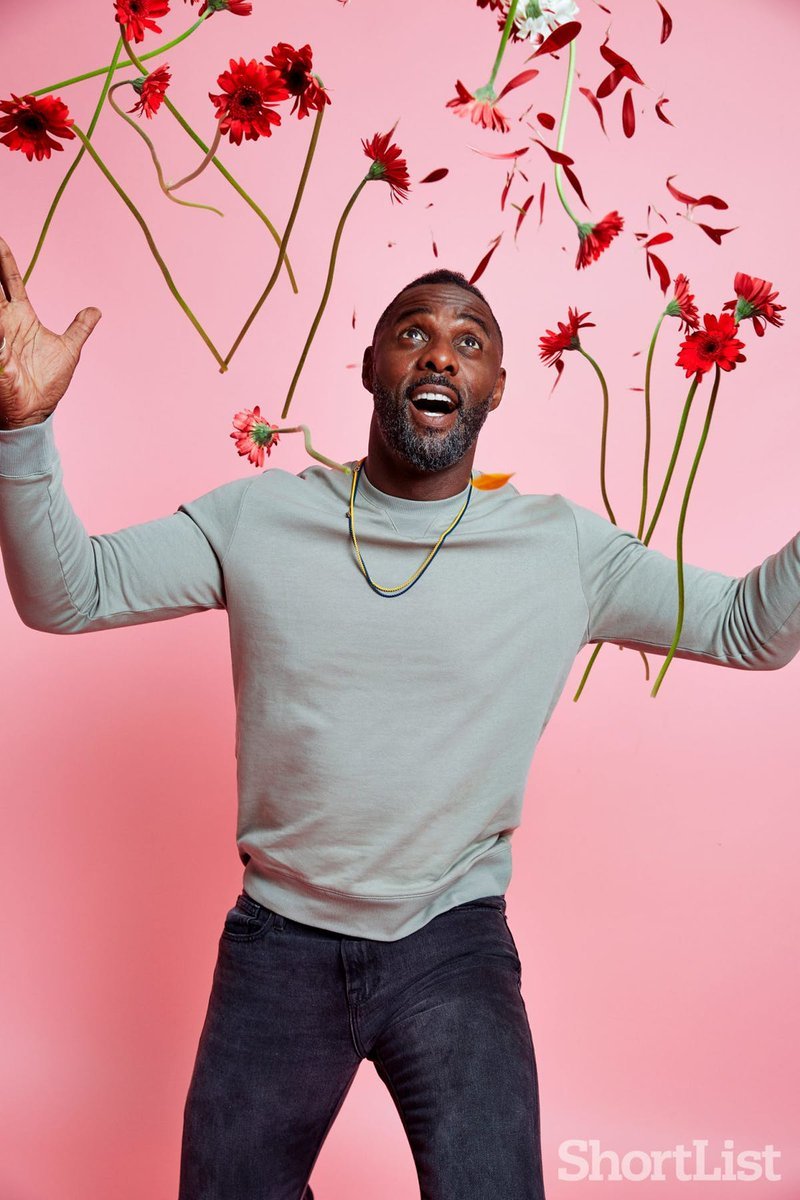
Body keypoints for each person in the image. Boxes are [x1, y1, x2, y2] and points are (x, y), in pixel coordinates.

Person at [1, 232, 799, 1200]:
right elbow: (68, 594)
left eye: (469, 341)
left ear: (495, 387)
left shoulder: (560, 550)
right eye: (413, 333)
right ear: (370, 364)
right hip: (279, 941)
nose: (439, 355)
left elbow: (749, 629)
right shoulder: (259, 519)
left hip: (452, 944)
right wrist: (22, 431)